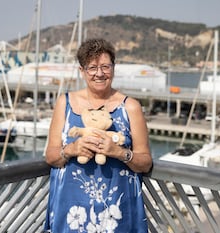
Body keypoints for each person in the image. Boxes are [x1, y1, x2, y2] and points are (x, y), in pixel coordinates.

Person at [44, 38, 153, 233]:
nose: (100, 73)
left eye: (105, 67)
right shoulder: (65, 103)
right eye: (92, 68)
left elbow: (145, 162)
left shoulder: (131, 107)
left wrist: (119, 152)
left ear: (113, 68)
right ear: (82, 71)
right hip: (71, 212)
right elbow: (51, 157)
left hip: (117, 213)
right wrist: (71, 149)